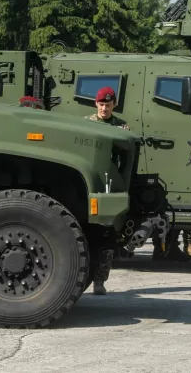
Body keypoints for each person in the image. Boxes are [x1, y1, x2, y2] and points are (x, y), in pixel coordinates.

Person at [85, 86, 128, 295]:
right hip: (88, 183)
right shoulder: (86, 124)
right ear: (96, 103)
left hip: (109, 184)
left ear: (114, 105)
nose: (104, 108)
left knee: (107, 236)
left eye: (108, 105)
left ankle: (100, 281)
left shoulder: (121, 127)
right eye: (101, 104)